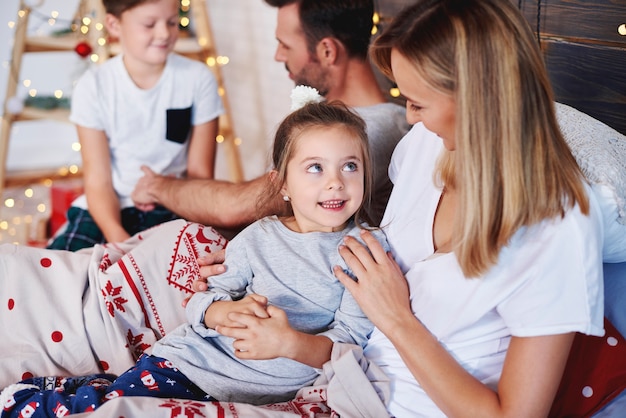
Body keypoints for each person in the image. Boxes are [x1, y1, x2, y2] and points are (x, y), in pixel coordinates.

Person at [206, 0, 605, 416]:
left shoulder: (557, 230)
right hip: (336, 375)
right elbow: (361, 236)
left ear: (476, 99)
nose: (410, 118)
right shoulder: (425, 147)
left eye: (418, 102)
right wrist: (259, 251)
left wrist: (397, 319)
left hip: (387, 405)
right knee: (175, 245)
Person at [1, 98, 390, 415]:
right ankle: (23, 400)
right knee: (101, 410)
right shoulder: (261, 237)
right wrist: (223, 312)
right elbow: (203, 299)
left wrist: (289, 343)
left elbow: (350, 343)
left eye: (350, 166)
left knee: (121, 402)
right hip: (192, 362)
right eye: (315, 168)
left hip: (246, 390)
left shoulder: (363, 251)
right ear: (283, 184)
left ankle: (80, 390)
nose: (335, 182)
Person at [131, 0, 409, 230]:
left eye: (286, 45)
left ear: (327, 51)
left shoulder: (365, 132)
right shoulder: (350, 120)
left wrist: (157, 185)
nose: (278, 55)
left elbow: (233, 207)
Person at [47, 0, 223, 251]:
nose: (164, 33)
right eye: (149, 24)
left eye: (172, 22)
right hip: (108, 208)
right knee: (60, 270)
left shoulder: (198, 79)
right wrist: (118, 238)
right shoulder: (94, 86)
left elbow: (201, 177)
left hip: (174, 204)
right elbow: (99, 182)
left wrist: (162, 190)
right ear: (114, 25)